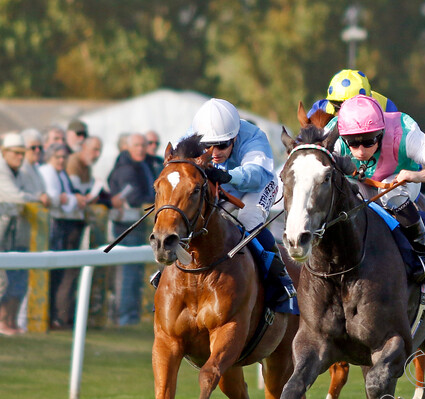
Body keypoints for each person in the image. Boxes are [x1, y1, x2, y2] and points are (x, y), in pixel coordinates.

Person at [330, 95, 425, 287]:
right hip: (356, 183)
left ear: (382, 132)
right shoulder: (333, 133)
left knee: (393, 195)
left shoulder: (405, 132)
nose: (360, 151)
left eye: (368, 141)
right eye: (352, 142)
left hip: (398, 181)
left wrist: (419, 175)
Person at [183, 98, 293, 304]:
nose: (215, 153)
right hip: (221, 185)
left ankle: (280, 278)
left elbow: (256, 174)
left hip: (258, 185)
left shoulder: (254, 137)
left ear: (234, 138)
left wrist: (228, 177)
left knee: (249, 220)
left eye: (222, 146)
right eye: (207, 147)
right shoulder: (192, 134)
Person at [0, 133, 49, 334]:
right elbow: (18, 197)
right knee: (4, 280)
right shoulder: (2, 171)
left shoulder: (19, 172)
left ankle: (9, 322)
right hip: (5, 234)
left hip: (13, 234)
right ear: (5, 153)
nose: (20, 157)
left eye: (22, 153)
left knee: (17, 278)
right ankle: (3, 322)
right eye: (16, 153)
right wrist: (38, 198)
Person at [108, 133, 156, 326]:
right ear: (127, 147)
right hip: (127, 226)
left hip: (136, 225)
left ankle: (132, 316)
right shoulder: (126, 168)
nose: (141, 149)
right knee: (128, 273)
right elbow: (135, 198)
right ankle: (125, 317)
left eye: (143, 145)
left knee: (135, 272)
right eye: (136, 145)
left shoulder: (143, 164)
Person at [40, 143, 86, 329]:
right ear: (50, 157)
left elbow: (66, 197)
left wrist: (71, 199)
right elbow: (57, 199)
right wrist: (73, 199)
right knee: (56, 272)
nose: (61, 160)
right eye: (57, 157)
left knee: (65, 272)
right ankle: (52, 317)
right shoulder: (48, 171)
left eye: (63, 157)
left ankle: (60, 316)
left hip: (65, 225)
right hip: (55, 225)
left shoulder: (61, 173)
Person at [308, 69, 399, 119]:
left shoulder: (386, 107)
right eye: (337, 106)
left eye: (350, 106)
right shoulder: (321, 109)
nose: (342, 112)